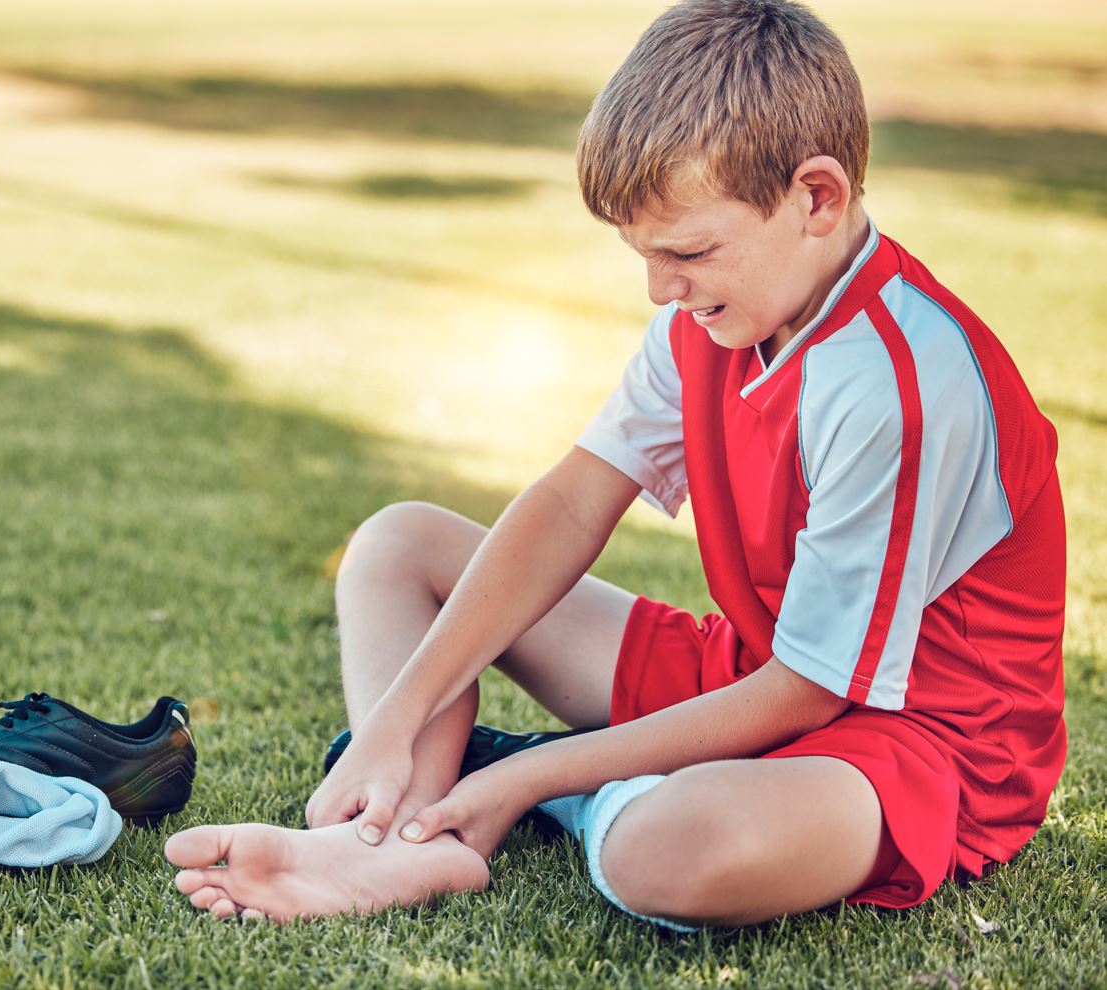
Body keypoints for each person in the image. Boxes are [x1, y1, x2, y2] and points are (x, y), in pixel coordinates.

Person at [165, 0, 1067, 928]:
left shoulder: (899, 383)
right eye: (643, 256)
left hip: (919, 745)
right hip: (753, 672)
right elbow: (569, 505)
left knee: (669, 854)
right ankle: (403, 844)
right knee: (397, 546)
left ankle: (536, 790)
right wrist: (399, 715)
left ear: (818, 198)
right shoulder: (712, 316)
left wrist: (531, 771)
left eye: (687, 251)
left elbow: (810, 692)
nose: (660, 289)